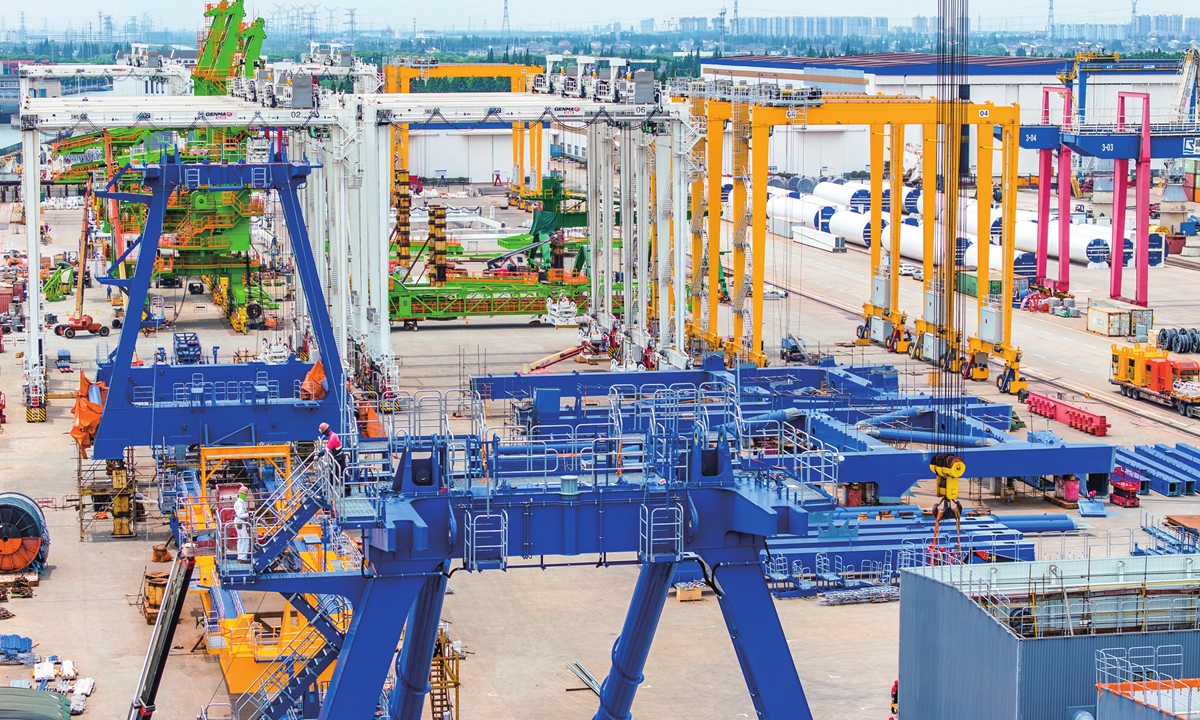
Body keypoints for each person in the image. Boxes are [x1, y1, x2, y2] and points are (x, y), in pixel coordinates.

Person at [233, 485, 250, 563]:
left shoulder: (239, 502)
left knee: (240, 539)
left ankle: (240, 556)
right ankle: (243, 557)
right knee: (245, 539)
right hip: (240, 521)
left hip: (239, 521)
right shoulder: (240, 503)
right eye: (245, 495)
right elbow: (240, 514)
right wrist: (248, 514)